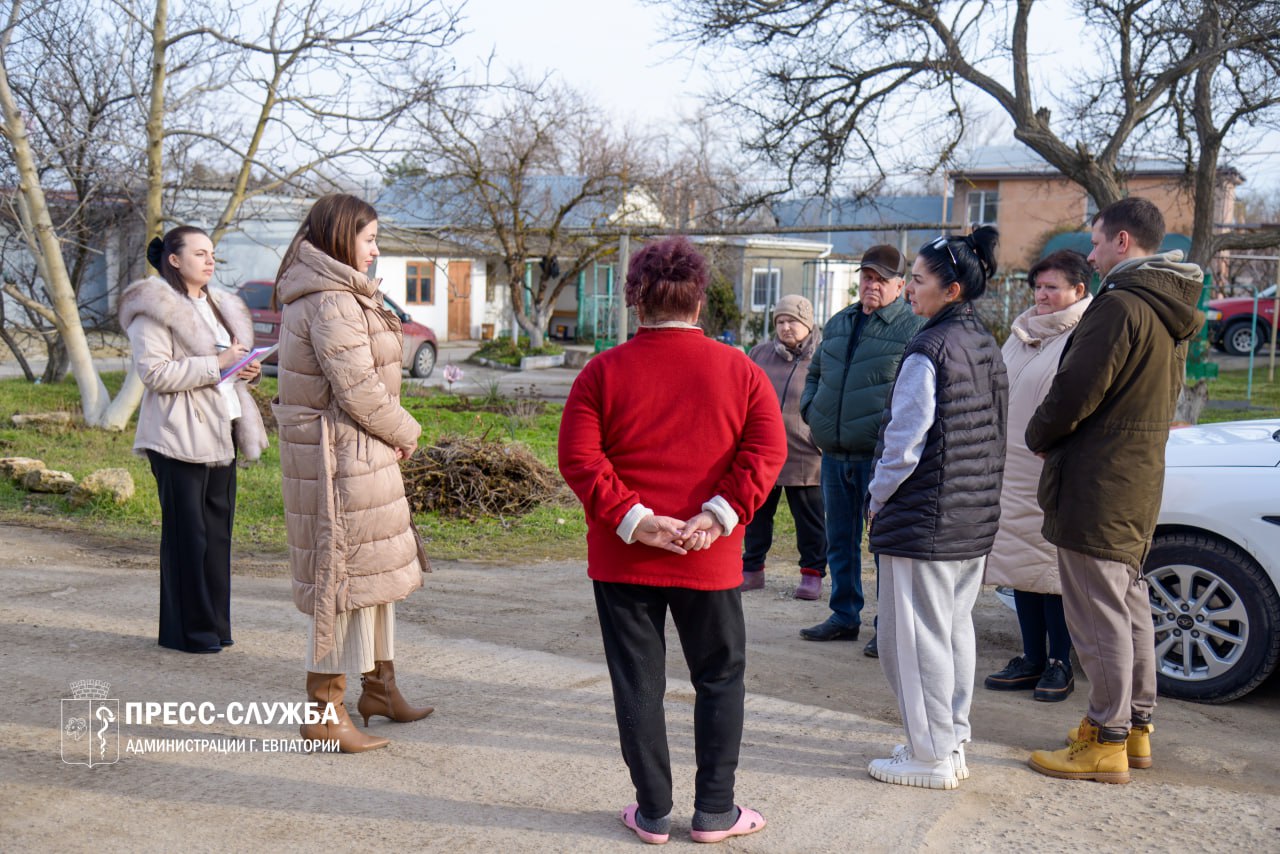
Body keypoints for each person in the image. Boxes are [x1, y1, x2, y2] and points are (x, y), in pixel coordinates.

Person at [558, 236, 786, 845]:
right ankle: (716, 811)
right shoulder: (742, 371)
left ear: (636, 300)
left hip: (624, 555)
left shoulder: (600, 372)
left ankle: (653, 811)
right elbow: (767, 450)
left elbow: (579, 458)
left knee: (638, 682)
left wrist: (635, 518)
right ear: (699, 300)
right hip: (706, 554)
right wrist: (718, 515)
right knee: (719, 677)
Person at [1026, 198, 1203, 783]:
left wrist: (1039, 433)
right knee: (1128, 607)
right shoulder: (1166, 305)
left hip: (1099, 481)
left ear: (1122, 242)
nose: (1092, 250)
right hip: (1134, 477)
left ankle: (1106, 738)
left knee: (1099, 611)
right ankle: (1134, 726)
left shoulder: (1120, 304)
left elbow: (1077, 389)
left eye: (1097, 240)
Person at [273, 193, 433, 754]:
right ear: (343, 237)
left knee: (373, 576)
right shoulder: (332, 302)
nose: (376, 249)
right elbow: (360, 390)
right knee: (341, 584)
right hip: (341, 458)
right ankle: (324, 711)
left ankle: (380, 690)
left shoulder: (340, 294)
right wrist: (407, 432)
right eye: (369, 239)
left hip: (359, 453)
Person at [865, 227, 1007, 790]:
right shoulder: (983, 342)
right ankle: (949, 742)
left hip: (925, 518)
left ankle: (929, 754)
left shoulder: (929, 349)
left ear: (951, 290)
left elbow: (904, 442)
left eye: (918, 281)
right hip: (969, 515)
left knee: (915, 638)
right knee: (951, 631)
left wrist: (877, 499)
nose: (908, 291)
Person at [119, 226, 269, 653]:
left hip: (223, 430)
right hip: (176, 434)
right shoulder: (155, 309)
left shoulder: (220, 306)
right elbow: (155, 373)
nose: (210, 260)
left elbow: (223, 368)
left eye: (213, 254)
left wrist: (245, 370)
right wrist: (216, 362)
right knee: (189, 536)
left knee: (218, 535)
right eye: (200, 253)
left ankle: (216, 626)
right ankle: (187, 633)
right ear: (174, 259)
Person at [799, 245, 923, 654]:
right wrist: (811, 413)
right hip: (834, 452)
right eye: (867, 277)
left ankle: (886, 624)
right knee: (840, 539)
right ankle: (843, 614)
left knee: (882, 545)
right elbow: (815, 373)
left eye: (881, 279)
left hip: (879, 458)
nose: (871, 285)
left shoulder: (911, 329)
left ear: (900, 285)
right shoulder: (839, 322)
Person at [983, 250, 1093, 702]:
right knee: (1018, 565)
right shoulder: (1023, 333)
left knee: (1051, 574)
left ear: (1078, 291)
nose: (1043, 296)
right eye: (1038, 287)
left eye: (1053, 287)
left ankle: (1059, 663)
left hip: (1052, 469)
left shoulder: (1084, 336)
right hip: (1010, 466)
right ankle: (1030, 657)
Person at [740, 294, 826, 597]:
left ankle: (812, 574)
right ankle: (751, 570)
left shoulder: (824, 356)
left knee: (810, 520)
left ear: (808, 323)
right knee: (756, 516)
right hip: (763, 454)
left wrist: (818, 439)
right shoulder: (759, 354)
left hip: (806, 453)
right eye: (780, 321)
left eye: (792, 321)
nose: (786, 327)